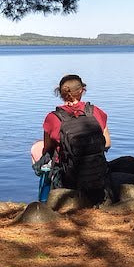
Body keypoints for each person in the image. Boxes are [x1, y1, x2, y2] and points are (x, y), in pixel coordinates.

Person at [42, 74, 111, 203]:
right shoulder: (95, 111)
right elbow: (107, 144)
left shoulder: (53, 117)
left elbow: (47, 147)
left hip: (67, 176)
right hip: (97, 172)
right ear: (82, 91)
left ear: (60, 93)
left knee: (39, 153)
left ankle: (45, 199)